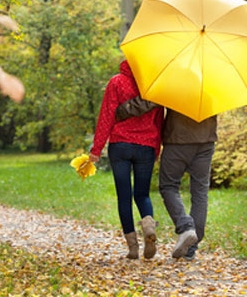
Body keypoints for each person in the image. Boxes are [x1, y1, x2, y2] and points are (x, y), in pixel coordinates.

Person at [116, 97, 217, 260]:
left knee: (168, 186)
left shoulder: (175, 77)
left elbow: (151, 101)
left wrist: (121, 111)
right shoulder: (213, 80)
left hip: (178, 140)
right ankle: (191, 249)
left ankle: (186, 228)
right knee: (200, 193)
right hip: (207, 140)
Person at [89, 60, 163, 260]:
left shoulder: (117, 82)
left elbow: (106, 117)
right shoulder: (154, 87)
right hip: (146, 146)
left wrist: (96, 149)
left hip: (120, 146)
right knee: (142, 194)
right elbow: (159, 121)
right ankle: (148, 227)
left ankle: (132, 248)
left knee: (124, 196)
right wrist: (156, 149)